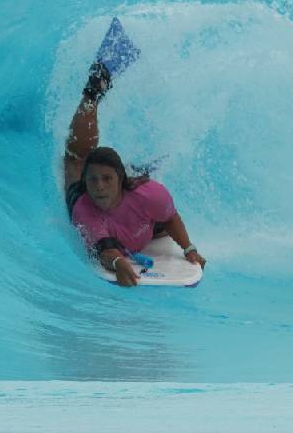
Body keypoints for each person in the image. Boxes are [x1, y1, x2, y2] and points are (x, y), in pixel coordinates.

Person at [64, 60, 206, 287]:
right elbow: (105, 250)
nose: (99, 186)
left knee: (158, 225)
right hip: (101, 215)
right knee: (75, 161)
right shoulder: (84, 210)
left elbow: (170, 217)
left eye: (107, 179)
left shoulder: (150, 195)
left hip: (140, 213)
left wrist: (189, 248)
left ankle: (95, 91)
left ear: (120, 180)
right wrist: (119, 263)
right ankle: (92, 92)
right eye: (93, 180)